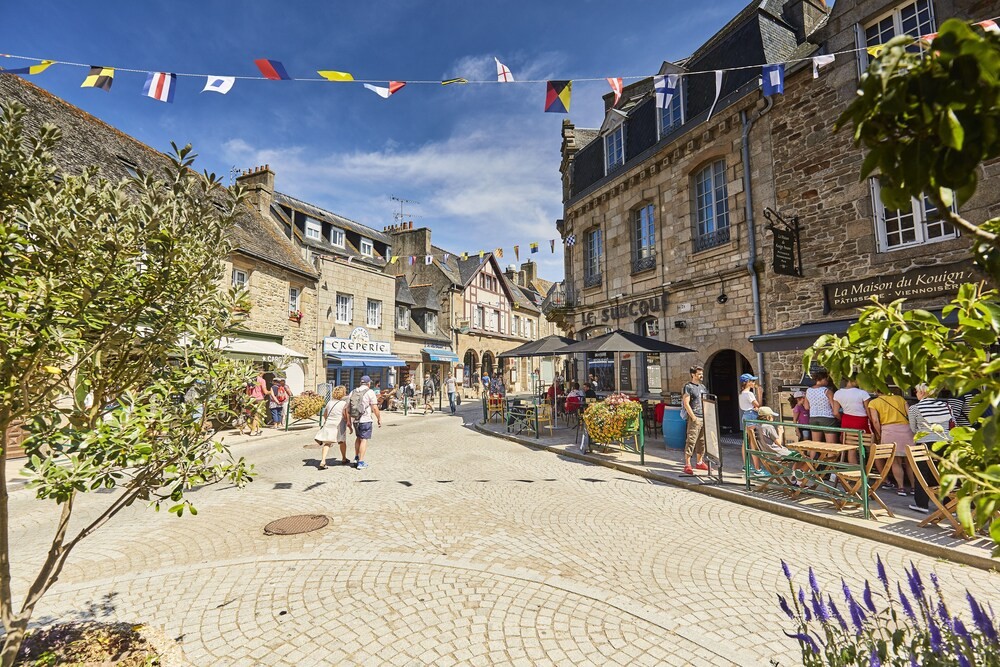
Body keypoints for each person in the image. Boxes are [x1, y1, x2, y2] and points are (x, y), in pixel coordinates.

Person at [907, 383, 953, 514]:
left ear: (922, 393)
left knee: (922, 474)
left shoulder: (914, 408)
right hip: (945, 442)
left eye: (916, 391)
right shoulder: (946, 406)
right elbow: (951, 423)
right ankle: (949, 504)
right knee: (945, 473)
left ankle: (922, 504)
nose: (915, 393)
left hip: (924, 443)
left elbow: (913, 428)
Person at [867, 388, 915, 496]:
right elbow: (910, 415)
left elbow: (875, 421)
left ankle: (901, 488)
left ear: (876, 391)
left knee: (895, 461)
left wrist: (880, 434)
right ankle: (913, 487)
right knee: (909, 461)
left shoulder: (874, 402)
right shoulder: (900, 398)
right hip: (906, 430)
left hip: (889, 431)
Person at [754, 406, 808, 478]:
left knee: (800, 457)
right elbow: (779, 443)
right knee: (807, 459)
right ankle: (797, 481)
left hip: (768, 454)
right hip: (778, 454)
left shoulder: (757, 426)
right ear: (768, 417)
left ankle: (795, 478)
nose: (773, 418)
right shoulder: (768, 427)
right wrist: (780, 432)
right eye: (772, 416)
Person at [344, 375, 381, 470]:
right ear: (368, 383)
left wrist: (348, 421)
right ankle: (361, 462)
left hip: (355, 419)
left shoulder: (353, 391)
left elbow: (347, 408)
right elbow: (375, 407)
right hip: (366, 419)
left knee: (358, 438)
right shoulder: (370, 392)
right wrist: (379, 418)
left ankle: (356, 457)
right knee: (364, 439)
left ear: (361, 383)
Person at [832, 378, 871, 462]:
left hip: (847, 420)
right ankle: (868, 469)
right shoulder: (863, 393)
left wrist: (842, 419)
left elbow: (835, 412)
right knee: (868, 446)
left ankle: (854, 471)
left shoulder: (838, 393)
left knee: (851, 448)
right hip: (861, 420)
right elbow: (869, 411)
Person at [315, 385, 352, 469]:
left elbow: (325, 414)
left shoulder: (329, 402)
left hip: (329, 424)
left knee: (327, 443)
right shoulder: (344, 404)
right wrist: (349, 424)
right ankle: (343, 458)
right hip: (339, 424)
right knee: (342, 442)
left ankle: (323, 461)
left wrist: (328, 420)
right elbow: (345, 416)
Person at [682, 365, 709, 475]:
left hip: (704, 417)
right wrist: (693, 417)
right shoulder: (688, 387)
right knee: (691, 440)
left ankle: (699, 462)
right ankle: (687, 464)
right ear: (693, 374)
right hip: (695, 417)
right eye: (699, 374)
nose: (701, 376)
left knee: (702, 441)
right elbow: (686, 403)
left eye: (702, 374)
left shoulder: (703, 387)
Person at [804, 371, 838, 444]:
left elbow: (806, 407)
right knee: (831, 445)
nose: (827, 381)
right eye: (826, 379)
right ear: (822, 379)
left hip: (813, 417)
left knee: (815, 443)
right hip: (827, 418)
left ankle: (812, 455)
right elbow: (834, 408)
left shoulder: (808, 390)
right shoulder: (827, 391)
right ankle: (830, 456)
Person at [246, 371, 269, 436]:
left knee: (252, 415)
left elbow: (247, 392)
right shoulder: (262, 380)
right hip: (259, 399)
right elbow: (265, 392)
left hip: (251, 399)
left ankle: (258, 429)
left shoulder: (249, 380)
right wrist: (271, 392)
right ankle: (253, 431)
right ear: (261, 373)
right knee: (256, 416)